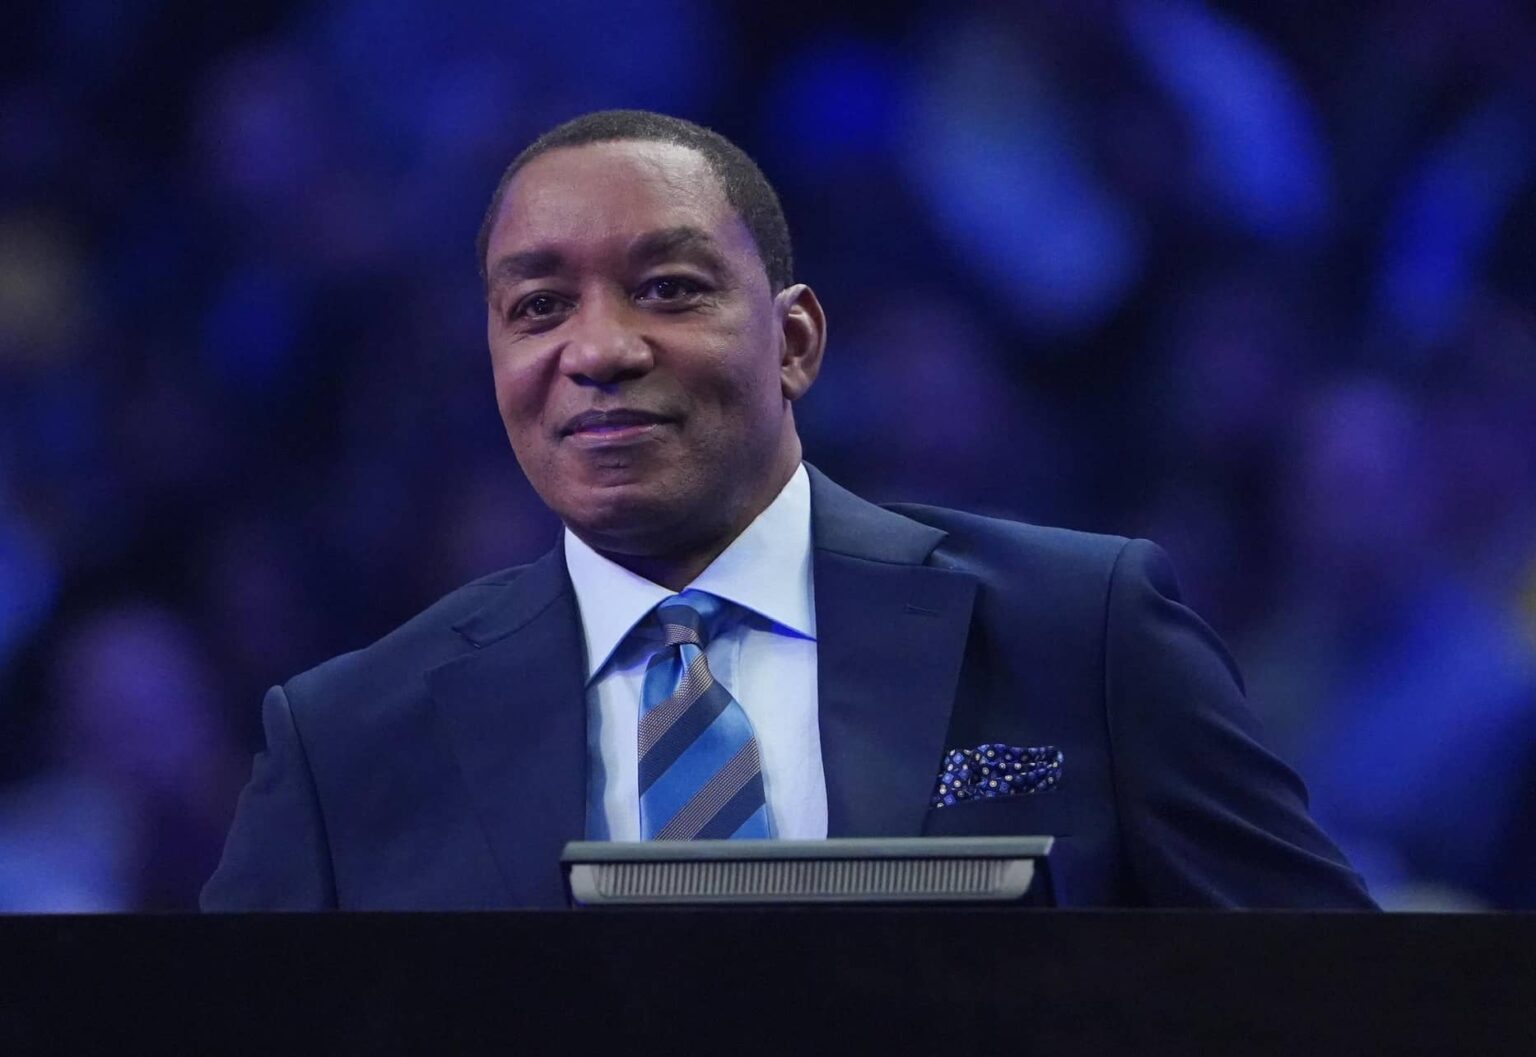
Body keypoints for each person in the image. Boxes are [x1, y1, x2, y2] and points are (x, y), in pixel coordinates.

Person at [202, 110, 1374, 910]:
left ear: (796, 339)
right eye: (538, 306)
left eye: (668, 288)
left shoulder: (1088, 632)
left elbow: (1349, 1005)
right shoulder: (346, 745)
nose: (599, 349)